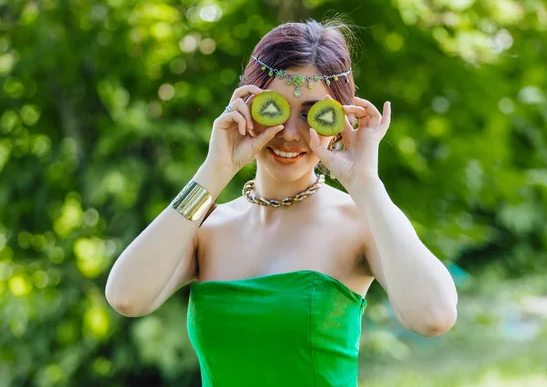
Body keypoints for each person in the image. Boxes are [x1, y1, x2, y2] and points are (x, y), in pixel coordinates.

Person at [105, 19, 458, 386]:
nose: (290, 134)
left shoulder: (358, 223)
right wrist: (215, 170)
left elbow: (433, 316)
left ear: (338, 120)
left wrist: (366, 184)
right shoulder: (205, 228)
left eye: (311, 114)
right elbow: (127, 297)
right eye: (273, 110)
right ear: (246, 105)